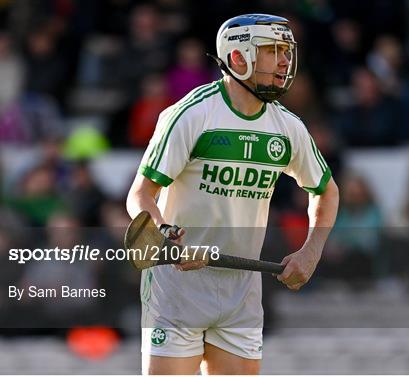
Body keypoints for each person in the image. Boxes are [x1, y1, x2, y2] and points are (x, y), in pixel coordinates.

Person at [126, 14, 339, 375]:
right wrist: (165, 236)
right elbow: (141, 195)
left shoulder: (288, 127)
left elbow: (326, 192)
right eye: (272, 51)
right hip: (178, 287)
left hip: (241, 292)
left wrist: (310, 252)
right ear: (238, 58)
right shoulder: (191, 114)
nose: (285, 61)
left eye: (287, 50)